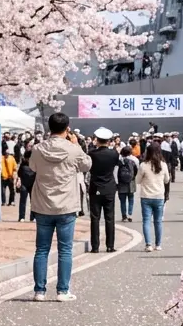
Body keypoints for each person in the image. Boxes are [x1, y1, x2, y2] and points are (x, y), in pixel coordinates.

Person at [29, 112, 93, 300]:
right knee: (65, 249)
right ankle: (62, 291)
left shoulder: (38, 149)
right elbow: (87, 165)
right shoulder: (73, 150)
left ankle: (39, 291)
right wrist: (76, 145)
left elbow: (32, 167)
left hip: (43, 204)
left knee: (42, 249)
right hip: (66, 205)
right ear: (67, 128)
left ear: (49, 128)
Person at [88, 128, 121, 252]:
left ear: (97, 140)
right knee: (110, 217)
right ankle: (110, 245)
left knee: (95, 218)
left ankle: (95, 246)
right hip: (109, 187)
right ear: (108, 141)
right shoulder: (114, 154)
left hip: (95, 187)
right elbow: (116, 166)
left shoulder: (91, 154)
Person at [139, 143, 171, 252]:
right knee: (158, 221)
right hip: (159, 196)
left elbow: (137, 180)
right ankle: (158, 244)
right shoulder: (163, 165)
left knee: (146, 221)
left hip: (146, 196)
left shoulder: (143, 165)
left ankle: (148, 244)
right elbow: (167, 180)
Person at [117, 146, 138, 222]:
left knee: (122, 201)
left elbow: (116, 173)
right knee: (131, 199)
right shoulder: (133, 161)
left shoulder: (119, 161)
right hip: (131, 183)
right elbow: (136, 171)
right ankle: (130, 214)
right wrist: (132, 177)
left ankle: (124, 216)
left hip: (121, 184)